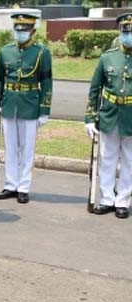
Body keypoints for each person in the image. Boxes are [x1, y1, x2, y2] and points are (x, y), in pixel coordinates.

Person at [0, 13, 52, 204]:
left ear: (32, 31)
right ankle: (10, 184)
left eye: (24, 30)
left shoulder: (41, 53)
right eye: (17, 30)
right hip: (9, 104)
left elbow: (47, 82)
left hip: (30, 105)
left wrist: (44, 110)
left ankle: (24, 186)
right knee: (10, 147)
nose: (20, 33)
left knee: (27, 148)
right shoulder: (5, 52)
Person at [84, 13, 132, 219]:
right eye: (125, 31)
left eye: (130, 32)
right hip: (109, 114)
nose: (127, 35)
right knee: (107, 158)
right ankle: (106, 199)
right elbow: (95, 89)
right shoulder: (107, 57)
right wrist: (89, 117)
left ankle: (122, 201)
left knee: (130, 160)